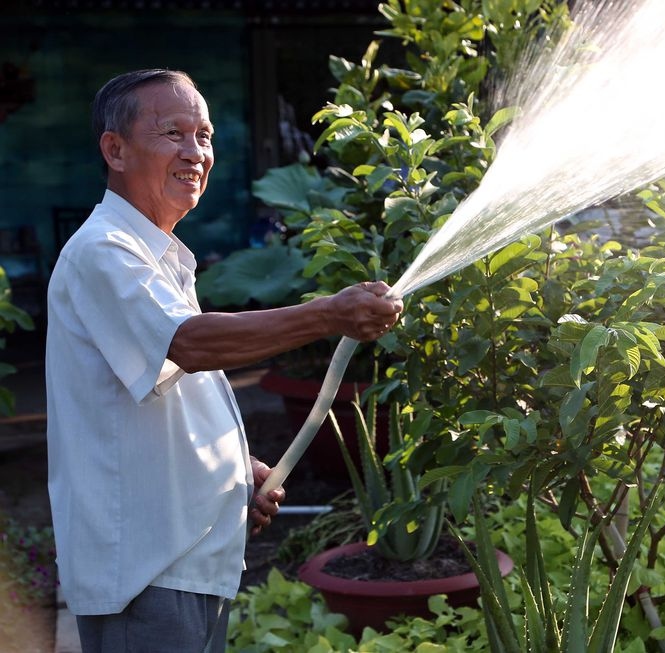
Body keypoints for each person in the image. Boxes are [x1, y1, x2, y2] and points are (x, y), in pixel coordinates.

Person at [45, 69, 403, 652]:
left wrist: (237, 469)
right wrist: (325, 315)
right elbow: (189, 344)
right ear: (115, 148)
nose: (196, 153)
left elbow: (162, 396)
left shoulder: (154, 257)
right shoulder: (103, 251)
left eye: (205, 136)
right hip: (146, 573)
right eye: (173, 134)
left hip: (183, 565)